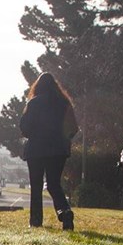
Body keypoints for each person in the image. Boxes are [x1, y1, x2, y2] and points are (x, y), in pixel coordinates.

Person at [20, 72, 79, 230]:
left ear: (37, 86)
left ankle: (36, 221)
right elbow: (73, 128)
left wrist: (35, 134)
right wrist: (63, 138)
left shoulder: (33, 103)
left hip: (36, 150)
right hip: (58, 150)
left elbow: (24, 128)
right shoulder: (64, 103)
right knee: (54, 184)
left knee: (36, 185)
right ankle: (65, 212)